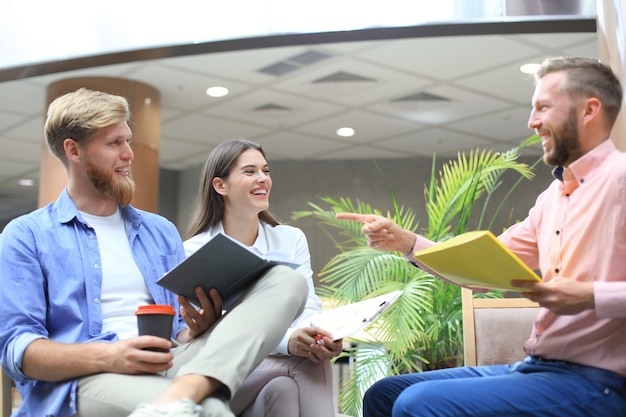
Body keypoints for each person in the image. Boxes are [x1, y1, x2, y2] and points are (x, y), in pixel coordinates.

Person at [336, 56, 626, 417]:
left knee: (416, 403)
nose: (532, 121)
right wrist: (407, 243)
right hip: (539, 368)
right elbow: (480, 268)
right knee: (385, 393)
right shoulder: (551, 198)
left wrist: (592, 296)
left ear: (589, 110)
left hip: (600, 382)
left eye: (543, 107)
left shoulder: (621, 179)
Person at [0, 88, 308, 417]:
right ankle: (181, 398)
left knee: (286, 281)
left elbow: (179, 331)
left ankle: (178, 395)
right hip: (86, 379)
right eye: (114, 143)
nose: (129, 154)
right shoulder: (26, 235)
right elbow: (18, 351)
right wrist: (111, 356)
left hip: (169, 361)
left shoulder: (159, 232)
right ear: (74, 150)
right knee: (211, 410)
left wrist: (196, 327)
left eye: (128, 141)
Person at [183, 138, 343, 417]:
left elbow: (307, 307)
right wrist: (291, 342)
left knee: (283, 390)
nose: (263, 179)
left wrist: (316, 338)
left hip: (271, 373)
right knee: (306, 363)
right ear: (221, 186)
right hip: (219, 374)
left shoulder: (290, 238)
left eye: (265, 171)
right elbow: (220, 328)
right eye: (250, 172)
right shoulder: (194, 251)